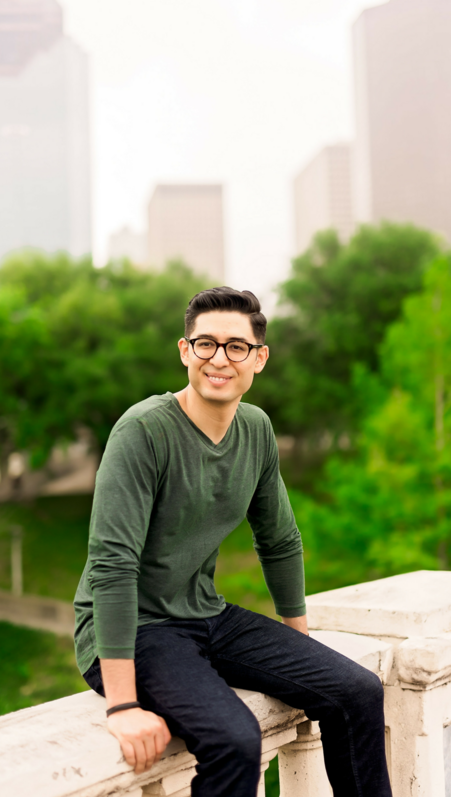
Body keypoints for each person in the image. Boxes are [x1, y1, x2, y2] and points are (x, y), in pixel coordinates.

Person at [72, 287, 391, 797]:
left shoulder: (256, 428)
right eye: (206, 344)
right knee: (234, 739)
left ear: (258, 358)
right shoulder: (143, 431)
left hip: (207, 614)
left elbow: (280, 538)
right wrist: (123, 705)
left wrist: (297, 643)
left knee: (356, 690)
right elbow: (112, 566)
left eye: (236, 346)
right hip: (138, 628)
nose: (219, 359)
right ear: (185, 351)